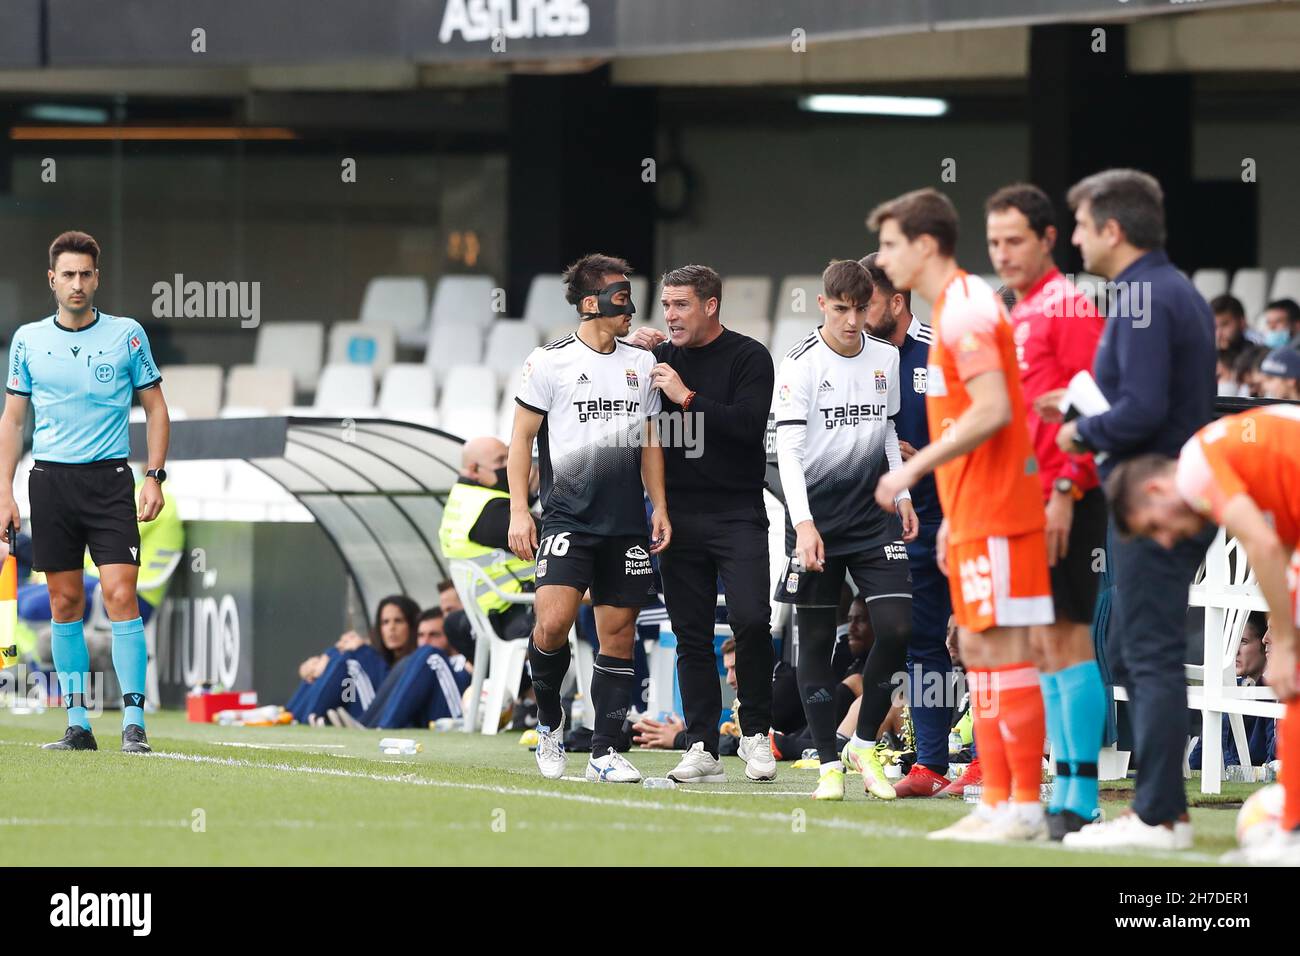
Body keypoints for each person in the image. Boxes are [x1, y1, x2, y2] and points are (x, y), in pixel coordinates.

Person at [869, 188, 1051, 841]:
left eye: (890, 244)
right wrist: (950, 511)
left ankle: (1018, 802)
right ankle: (1002, 799)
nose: (883, 259)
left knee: (999, 649)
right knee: (979, 646)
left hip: (1001, 506)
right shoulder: (957, 305)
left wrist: (913, 469)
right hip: (973, 508)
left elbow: (994, 408)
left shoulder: (966, 309)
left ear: (923, 246)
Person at [1052, 169, 1217, 851]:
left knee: (1146, 653)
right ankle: (1162, 810)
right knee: (1137, 649)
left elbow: (1144, 409)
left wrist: (1080, 430)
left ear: (1113, 230)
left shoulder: (1145, 294)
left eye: (1084, 225)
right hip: (1166, 492)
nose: (1077, 238)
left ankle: (1158, 816)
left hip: (1157, 499)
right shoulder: (1166, 289)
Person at [1103, 404, 1300, 862]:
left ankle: (1291, 833)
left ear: (1155, 489)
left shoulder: (1197, 467)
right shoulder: (1230, 456)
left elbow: (1265, 544)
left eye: (1155, 527)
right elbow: (1283, 538)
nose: (1168, 542)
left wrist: (1286, 642)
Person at [0, 230, 170, 754]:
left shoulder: (127, 335)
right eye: (67, 275)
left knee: (121, 595)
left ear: (99, 278)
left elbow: (156, 408)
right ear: (52, 280)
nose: (77, 284)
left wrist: (155, 475)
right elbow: (12, 418)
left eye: (85, 274)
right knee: (65, 599)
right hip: (50, 482)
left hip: (110, 481)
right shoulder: (28, 340)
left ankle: (134, 724)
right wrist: (4, 491)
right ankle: (78, 725)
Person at [508, 253, 670, 784]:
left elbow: (650, 442)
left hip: (625, 523)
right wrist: (519, 511)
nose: (630, 305)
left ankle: (604, 750)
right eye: (620, 295)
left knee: (617, 637)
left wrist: (660, 507)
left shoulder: (641, 365)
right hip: (566, 521)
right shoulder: (547, 362)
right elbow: (521, 442)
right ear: (589, 302)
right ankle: (551, 719)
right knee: (552, 625)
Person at [985, 183, 1108, 840]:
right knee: (1038, 645)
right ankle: (1062, 790)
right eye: (995, 242)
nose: (1003, 254)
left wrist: (1066, 490)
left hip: (1067, 501)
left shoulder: (1067, 308)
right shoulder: (1022, 312)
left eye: (1015, 241)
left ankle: (1081, 798)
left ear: (1048, 240)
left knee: (1064, 640)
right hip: (1024, 503)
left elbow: (1093, 408)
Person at [772, 259, 919, 802]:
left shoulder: (886, 357)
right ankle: (829, 763)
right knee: (814, 643)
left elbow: (887, 431)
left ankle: (861, 742)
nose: (853, 320)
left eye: (860, 308)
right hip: (817, 524)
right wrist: (803, 524)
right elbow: (787, 450)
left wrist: (901, 493)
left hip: (872, 517)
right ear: (822, 306)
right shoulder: (800, 365)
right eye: (841, 309)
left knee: (897, 627)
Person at [624, 264, 777, 785]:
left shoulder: (749, 356)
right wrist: (658, 507)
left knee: (753, 621)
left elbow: (747, 425)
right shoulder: (658, 357)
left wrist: (686, 395)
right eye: (666, 305)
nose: (670, 315)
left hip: (737, 513)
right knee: (689, 634)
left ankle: (757, 733)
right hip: (678, 514)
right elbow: (649, 439)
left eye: (681, 305)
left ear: (710, 305)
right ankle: (701, 745)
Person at [859, 252, 958, 799]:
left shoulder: (941, 353)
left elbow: (981, 428)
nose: (854, 314)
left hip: (955, 511)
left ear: (896, 302)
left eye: (865, 302)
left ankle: (999, 761)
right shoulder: (851, 356)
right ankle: (932, 762)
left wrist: (923, 457)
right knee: (919, 641)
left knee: (985, 640)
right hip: (891, 524)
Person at [438, 435, 537, 643]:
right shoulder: (491, 509)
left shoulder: (464, 497)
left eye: (510, 459)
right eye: (501, 461)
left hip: (486, 613)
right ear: (474, 469)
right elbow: (550, 541)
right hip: (517, 609)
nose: (509, 466)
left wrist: (526, 496)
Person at [286, 595, 420, 725]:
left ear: (412, 625)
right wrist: (328, 657)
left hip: (377, 715)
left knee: (351, 660)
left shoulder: (416, 659)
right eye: (385, 622)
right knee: (342, 656)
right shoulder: (378, 654)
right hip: (358, 699)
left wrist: (360, 650)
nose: (391, 628)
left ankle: (309, 717)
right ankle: (289, 714)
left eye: (399, 621)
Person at [1187, 613, 1273, 771]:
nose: (1234, 651)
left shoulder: (1272, 694)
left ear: (1263, 643)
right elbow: (1197, 761)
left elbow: (1273, 766)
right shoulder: (1228, 688)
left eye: (1243, 642)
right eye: (1231, 642)